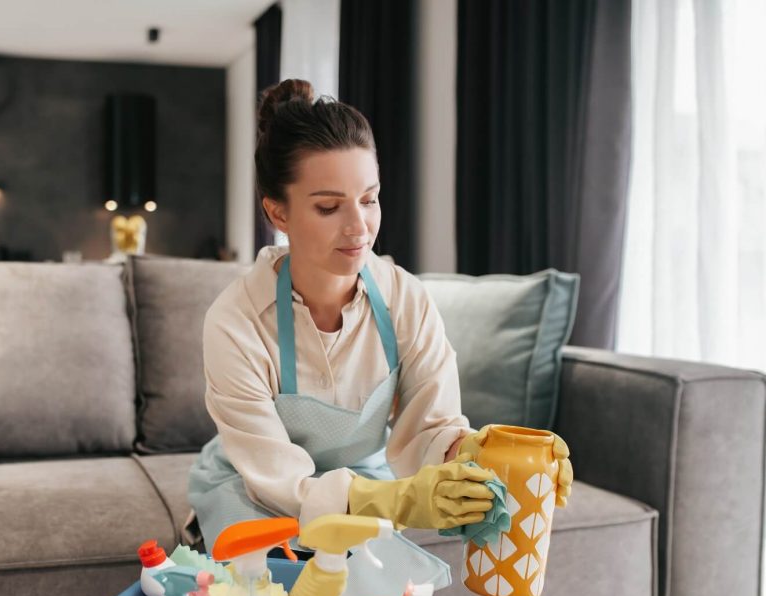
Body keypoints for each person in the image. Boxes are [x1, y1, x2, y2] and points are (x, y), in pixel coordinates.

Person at [186, 79, 572, 554]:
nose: (359, 227)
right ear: (277, 212)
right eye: (329, 207)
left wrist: (486, 454)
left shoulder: (404, 299)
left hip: (364, 481)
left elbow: (432, 428)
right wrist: (401, 501)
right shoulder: (236, 322)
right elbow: (279, 482)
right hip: (257, 488)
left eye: (369, 199)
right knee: (267, 593)